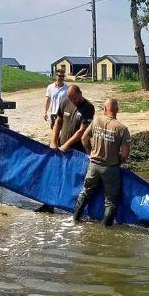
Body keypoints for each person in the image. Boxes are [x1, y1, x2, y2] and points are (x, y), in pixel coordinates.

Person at [34, 85, 94, 214]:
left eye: (75, 98)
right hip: (60, 148)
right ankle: (48, 205)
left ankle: (75, 208)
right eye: (70, 98)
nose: (73, 101)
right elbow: (58, 122)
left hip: (77, 151)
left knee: (74, 179)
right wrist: (53, 141)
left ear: (80, 94)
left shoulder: (88, 108)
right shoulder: (65, 101)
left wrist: (67, 145)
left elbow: (82, 131)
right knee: (54, 176)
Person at [73, 98, 131, 226]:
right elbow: (126, 153)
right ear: (117, 110)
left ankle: (75, 219)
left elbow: (84, 138)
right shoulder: (122, 128)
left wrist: (90, 151)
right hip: (110, 168)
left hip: (93, 165)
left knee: (85, 192)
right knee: (110, 201)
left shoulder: (97, 120)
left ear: (105, 109)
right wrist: (120, 160)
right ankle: (106, 228)